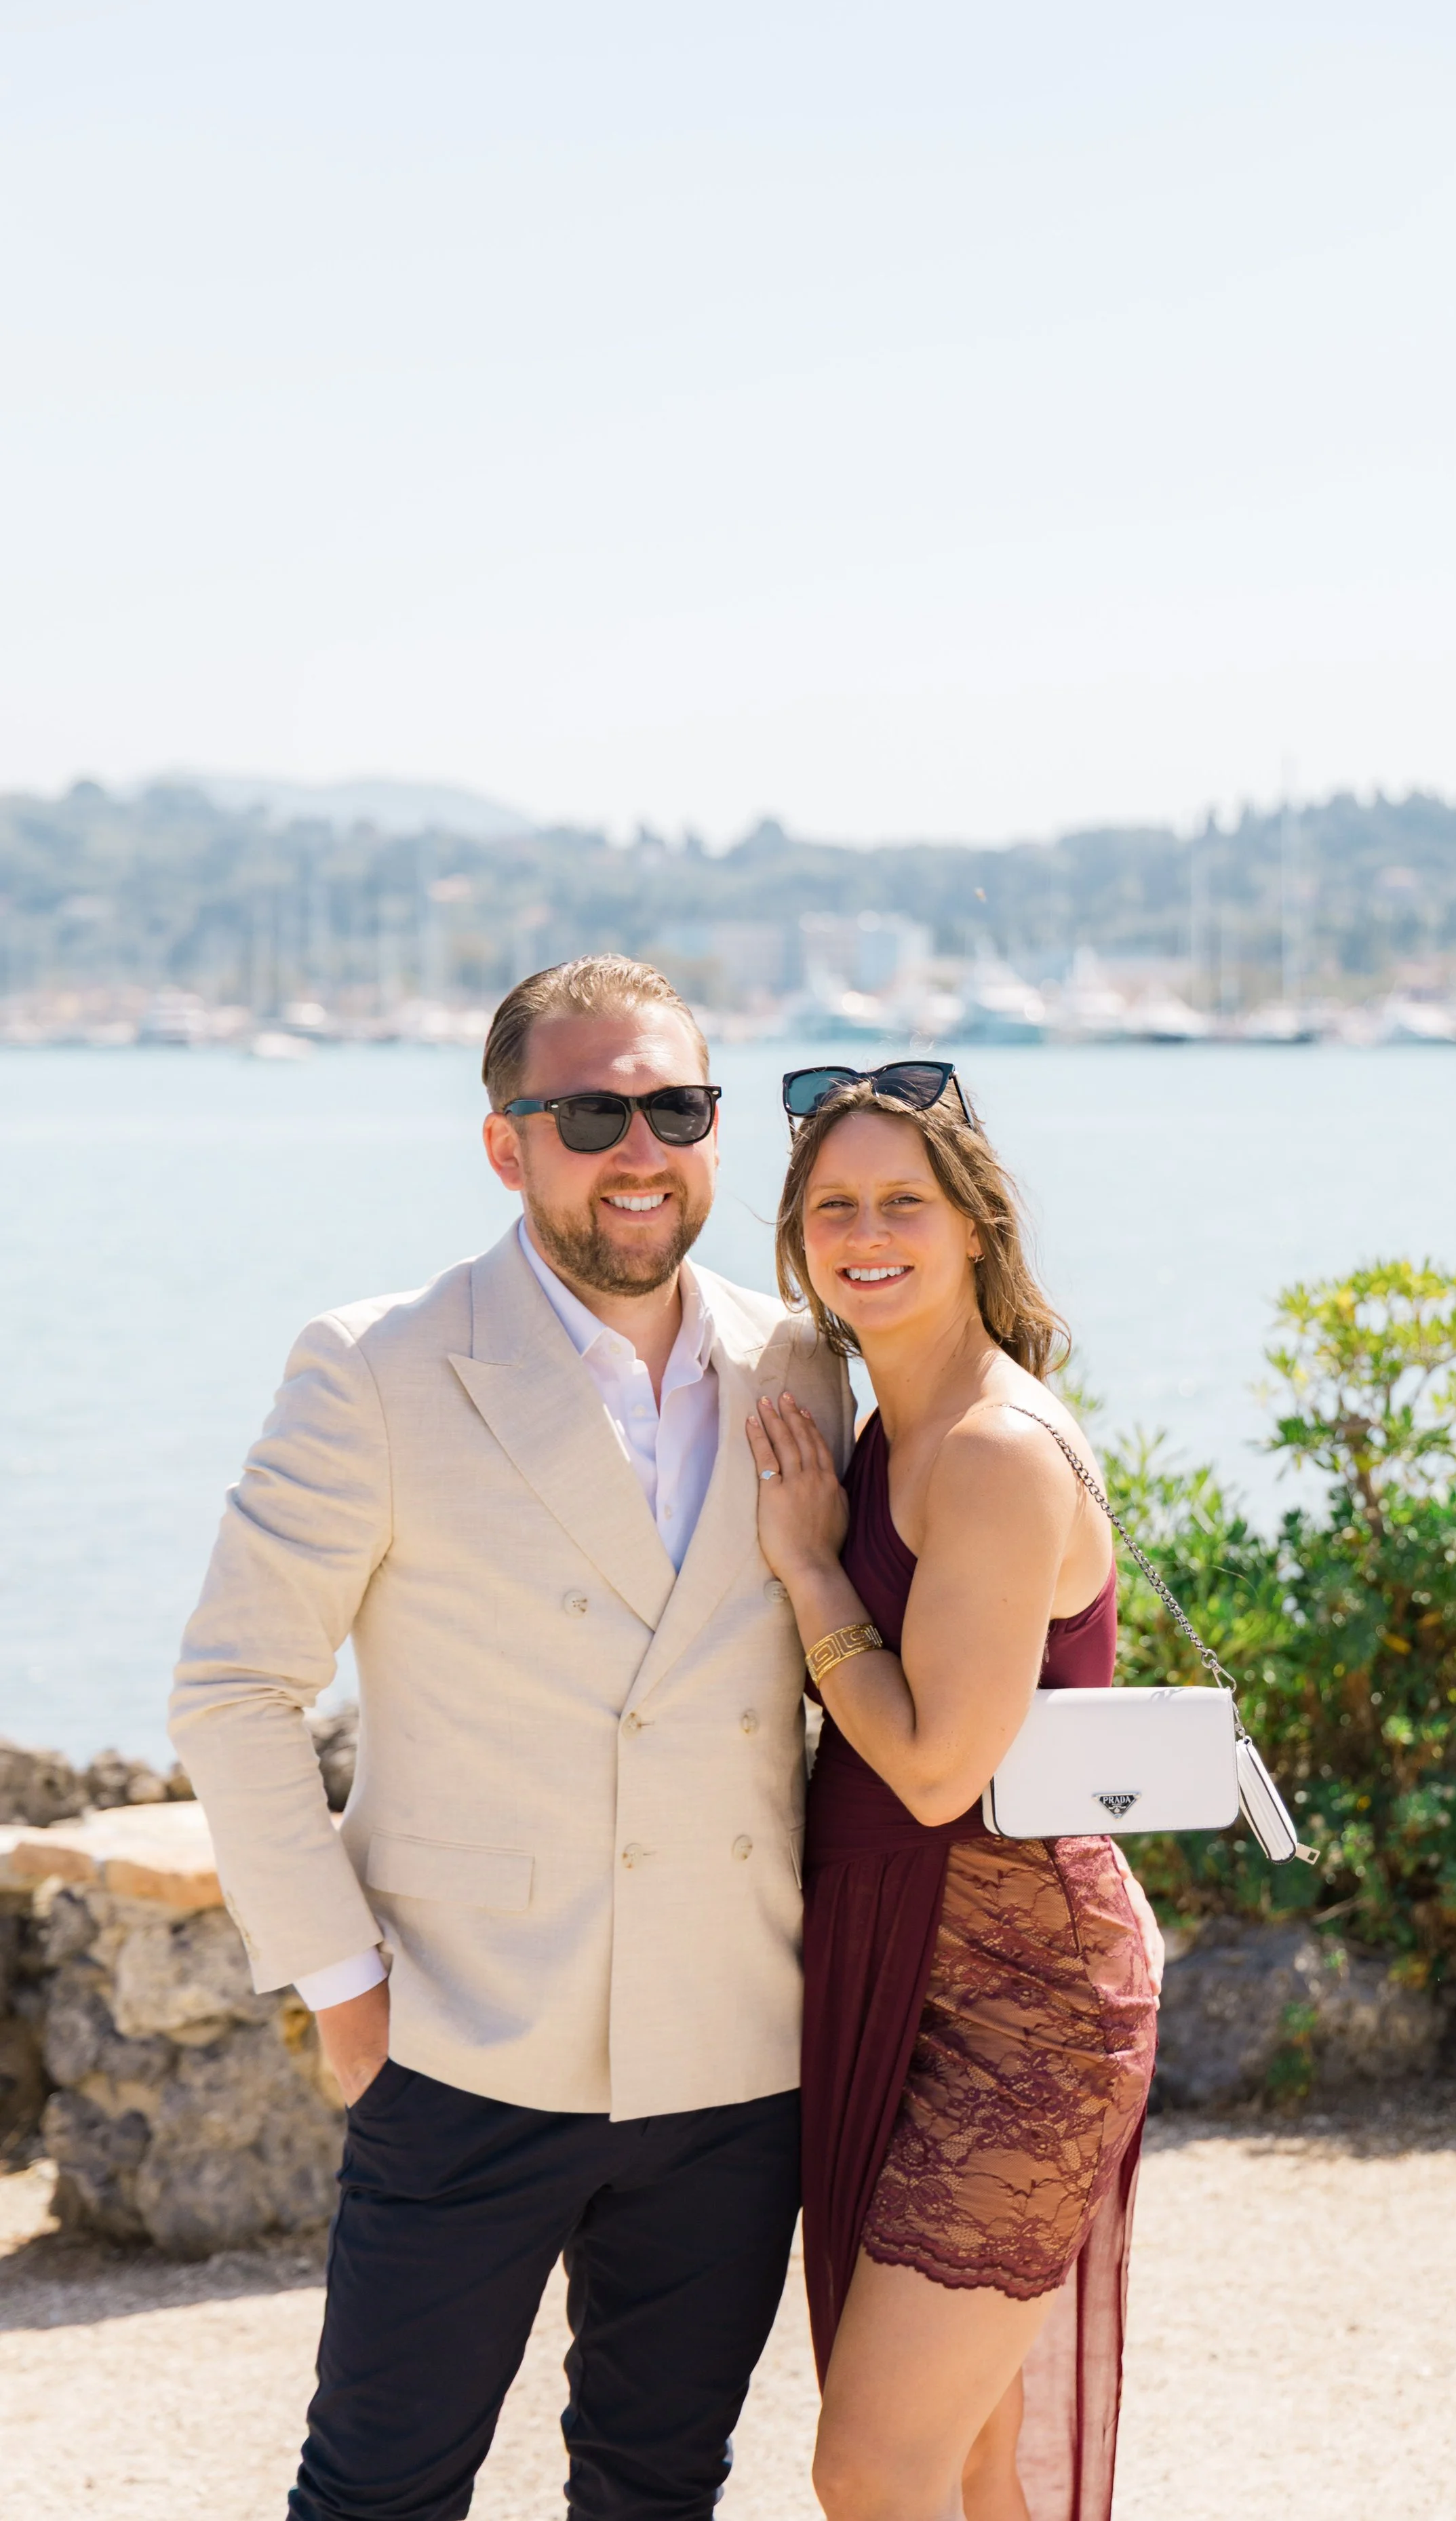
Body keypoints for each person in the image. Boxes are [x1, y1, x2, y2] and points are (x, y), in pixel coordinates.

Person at [169, 954, 853, 2521]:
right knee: (379, 2495)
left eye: (674, 1106)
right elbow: (233, 1687)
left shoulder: (801, 1364)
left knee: (658, 2485)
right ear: (505, 1142)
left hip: (732, 2053)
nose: (638, 1149)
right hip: (465, 2041)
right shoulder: (377, 1366)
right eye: (591, 1112)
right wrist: (346, 1993)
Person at [744, 1065, 1163, 2521]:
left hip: (1023, 2004)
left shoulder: (986, 1448)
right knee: (967, 2456)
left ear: (973, 1225)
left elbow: (931, 1773)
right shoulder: (886, 1420)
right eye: (831, 1207)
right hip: (903, 1970)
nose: (867, 1234)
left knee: (871, 2465)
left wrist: (803, 1568)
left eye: (902, 1204)